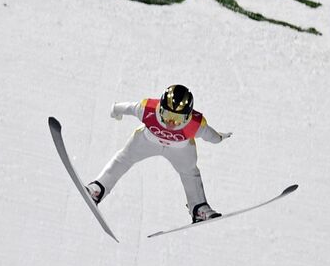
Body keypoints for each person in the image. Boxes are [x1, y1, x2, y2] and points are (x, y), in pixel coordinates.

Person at [85, 84, 231, 223]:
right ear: (160, 108)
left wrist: (220, 137)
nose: (171, 123)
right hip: (147, 141)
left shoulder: (196, 124)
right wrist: (115, 109)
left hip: (180, 149)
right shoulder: (148, 109)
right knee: (124, 159)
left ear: (188, 116)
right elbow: (129, 107)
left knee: (190, 173)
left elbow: (212, 136)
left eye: (178, 118)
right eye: (167, 115)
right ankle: (97, 189)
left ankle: (199, 208)